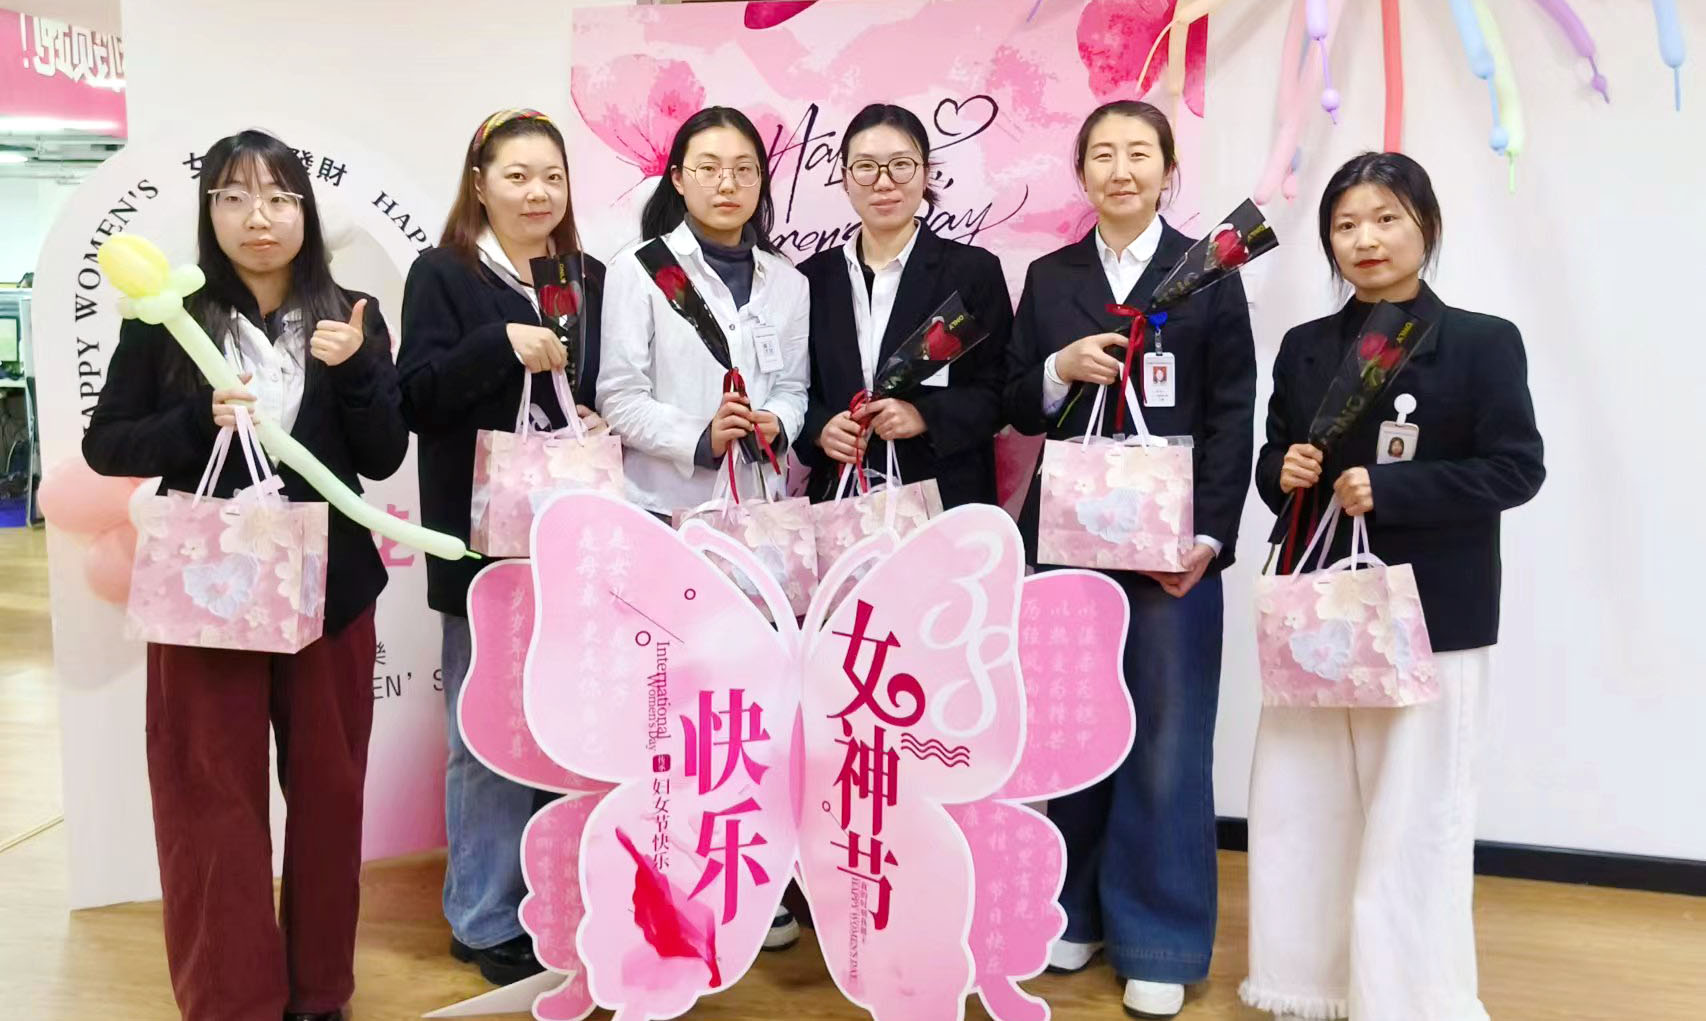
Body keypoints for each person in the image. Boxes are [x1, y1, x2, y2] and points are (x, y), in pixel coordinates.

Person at [83, 129, 406, 1021]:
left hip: (331, 591)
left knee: (330, 796)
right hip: (209, 590)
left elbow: (382, 456)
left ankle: (319, 993)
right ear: (209, 212)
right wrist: (197, 421)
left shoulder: (353, 312)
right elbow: (107, 444)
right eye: (233, 197)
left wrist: (356, 371)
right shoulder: (165, 318)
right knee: (209, 799)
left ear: (307, 211)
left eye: (277, 197)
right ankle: (232, 1000)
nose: (257, 217)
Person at [1241, 152, 1545, 1021]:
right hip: (1318, 611)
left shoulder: (1481, 341)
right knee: (1302, 805)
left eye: (1386, 218)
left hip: (1430, 614)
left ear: (1426, 226)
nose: (1365, 239)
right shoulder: (1306, 347)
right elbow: (1275, 460)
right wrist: (1280, 470)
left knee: (1416, 813)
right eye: (1345, 224)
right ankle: (1306, 984)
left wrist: (1396, 488)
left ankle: (1411, 998)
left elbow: (1517, 468)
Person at [1002, 100, 1256, 1018]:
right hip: (1068, 535)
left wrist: (1211, 535)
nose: (1121, 169)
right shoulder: (1052, 276)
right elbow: (1015, 403)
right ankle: (1074, 909)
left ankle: (1160, 936)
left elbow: (1233, 412)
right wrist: (1056, 369)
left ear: (1167, 168)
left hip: (1169, 545)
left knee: (1166, 737)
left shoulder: (1209, 272)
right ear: (1081, 173)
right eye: (1103, 154)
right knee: (1074, 728)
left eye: (1139, 152)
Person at [396, 108, 607, 985]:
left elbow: (597, 388)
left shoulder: (584, 275)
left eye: (552, 176)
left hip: (574, 543)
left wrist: (591, 415)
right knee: (485, 733)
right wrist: (499, 344)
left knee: (571, 733)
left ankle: (554, 902)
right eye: (517, 176)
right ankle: (481, 915)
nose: (536, 193)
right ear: (479, 183)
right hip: (479, 550)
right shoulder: (443, 273)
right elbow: (416, 397)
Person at [596, 105, 809, 948]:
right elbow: (618, 395)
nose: (728, 183)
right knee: (674, 710)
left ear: (762, 182)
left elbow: (795, 386)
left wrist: (776, 422)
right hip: (667, 516)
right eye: (709, 167)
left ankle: (753, 877)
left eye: (744, 169)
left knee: (753, 706)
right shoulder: (640, 270)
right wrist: (697, 435)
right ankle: (673, 875)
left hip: (758, 523)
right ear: (678, 179)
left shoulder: (788, 282)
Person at [796, 102, 1011, 506]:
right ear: (844, 178)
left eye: (901, 165)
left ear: (926, 173)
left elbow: (1001, 389)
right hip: (841, 500)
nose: (884, 182)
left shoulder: (972, 273)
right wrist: (820, 428)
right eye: (866, 167)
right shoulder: (811, 279)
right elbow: (793, 387)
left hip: (945, 498)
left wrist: (926, 416)